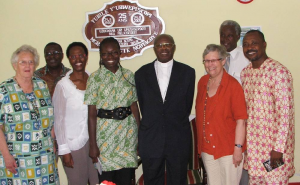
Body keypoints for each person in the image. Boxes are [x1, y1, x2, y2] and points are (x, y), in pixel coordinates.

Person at [135, 34, 195, 185]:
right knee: (152, 179)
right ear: (154, 49)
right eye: (160, 45)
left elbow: (186, 107)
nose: (164, 48)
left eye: (167, 44)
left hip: (178, 138)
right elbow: (144, 106)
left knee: (178, 180)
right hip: (151, 139)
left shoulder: (187, 72)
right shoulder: (141, 74)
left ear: (174, 47)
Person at [241, 30, 295, 185]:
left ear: (264, 45)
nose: (249, 47)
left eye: (254, 43)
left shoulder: (278, 72)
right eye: (245, 44)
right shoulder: (246, 73)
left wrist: (278, 150)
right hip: (254, 150)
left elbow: (285, 115)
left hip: (274, 153)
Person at [84, 37, 140, 185]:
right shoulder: (94, 78)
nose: (110, 57)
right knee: (107, 181)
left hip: (128, 137)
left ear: (120, 53)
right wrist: (93, 145)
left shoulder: (129, 75)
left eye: (114, 53)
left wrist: (140, 136)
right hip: (105, 139)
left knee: (126, 180)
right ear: (100, 55)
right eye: (105, 54)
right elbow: (91, 115)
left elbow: (134, 106)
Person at [0, 45, 59, 184]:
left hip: (45, 155)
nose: (28, 66)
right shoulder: (4, 90)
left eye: (31, 62)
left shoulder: (42, 86)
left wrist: (53, 144)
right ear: (15, 65)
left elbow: (49, 118)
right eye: (23, 62)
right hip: (18, 158)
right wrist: (6, 155)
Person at [195, 44, 248, 185]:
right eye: (206, 61)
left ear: (223, 61)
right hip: (207, 150)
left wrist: (238, 149)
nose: (209, 65)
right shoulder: (202, 83)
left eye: (214, 60)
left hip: (228, 150)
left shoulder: (233, 86)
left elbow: (241, 121)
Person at [52, 42, 98, 185]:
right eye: (73, 57)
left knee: (97, 180)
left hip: (94, 142)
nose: (77, 60)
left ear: (86, 56)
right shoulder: (63, 86)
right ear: (68, 59)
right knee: (78, 182)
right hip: (73, 144)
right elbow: (58, 120)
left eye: (80, 55)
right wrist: (64, 150)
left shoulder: (94, 79)